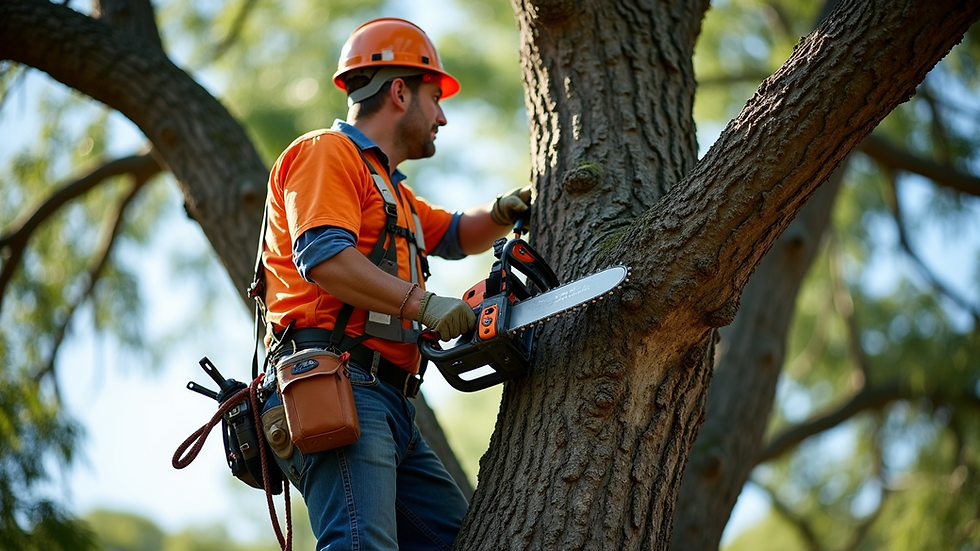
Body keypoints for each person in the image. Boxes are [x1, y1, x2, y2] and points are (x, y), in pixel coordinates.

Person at [257, 17, 530, 551]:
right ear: (400, 92)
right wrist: (424, 305)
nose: (443, 116)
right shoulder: (326, 155)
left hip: (391, 404)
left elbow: (452, 233)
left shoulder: (391, 190)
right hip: (339, 385)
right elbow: (324, 257)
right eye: (436, 98)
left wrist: (505, 209)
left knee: (464, 542)